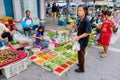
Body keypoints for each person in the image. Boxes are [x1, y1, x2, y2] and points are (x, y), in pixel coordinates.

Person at [73, 5, 91, 73]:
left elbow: (87, 32)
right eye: (78, 10)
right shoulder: (80, 19)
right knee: (79, 53)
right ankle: (80, 63)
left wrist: (78, 37)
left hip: (83, 41)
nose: (78, 12)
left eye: (80, 10)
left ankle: (81, 69)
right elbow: (77, 28)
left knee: (81, 54)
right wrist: (74, 23)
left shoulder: (86, 21)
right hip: (80, 40)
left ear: (85, 11)